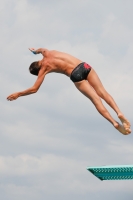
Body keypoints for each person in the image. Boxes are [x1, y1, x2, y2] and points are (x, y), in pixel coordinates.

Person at [7, 48, 131, 135]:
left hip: (75, 75)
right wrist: (35, 51)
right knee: (103, 92)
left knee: (96, 100)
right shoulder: (47, 52)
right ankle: (119, 112)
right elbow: (40, 49)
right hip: (84, 66)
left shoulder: (44, 69)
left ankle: (114, 123)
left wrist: (18, 94)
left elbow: (34, 89)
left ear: (38, 71)